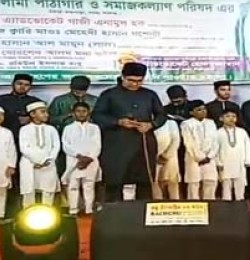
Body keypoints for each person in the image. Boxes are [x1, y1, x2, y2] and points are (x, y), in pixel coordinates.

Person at [92, 63, 167, 201]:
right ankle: (115, 211)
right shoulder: (109, 94)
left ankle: (142, 211)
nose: (135, 84)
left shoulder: (149, 94)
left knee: (144, 182)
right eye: (131, 80)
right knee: (114, 181)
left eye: (139, 81)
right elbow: (97, 116)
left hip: (143, 142)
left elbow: (161, 115)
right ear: (123, 77)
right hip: (117, 144)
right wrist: (118, 122)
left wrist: (151, 125)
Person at [0, 74, 43, 210]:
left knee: (28, 177)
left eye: (26, 84)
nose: (22, 87)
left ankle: (29, 209)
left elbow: (44, 120)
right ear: (13, 84)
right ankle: (8, 211)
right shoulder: (0, 100)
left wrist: (30, 119)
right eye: (19, 83)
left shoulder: (35, 102)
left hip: (29, 147)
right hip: (4, 145)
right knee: (6, 177)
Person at [61, 102, 102, 215]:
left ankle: (89, 210)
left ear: (88, 113)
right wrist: (79, 156)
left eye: (84, 111)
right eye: (78, 111)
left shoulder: (94, 128)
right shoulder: (68, 128)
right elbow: (66, 145)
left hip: (91, 162)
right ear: (73, 113)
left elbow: (97, 145)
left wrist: (88, 158)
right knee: (73, 186)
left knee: (89, 186)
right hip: (74, 161)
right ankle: (73, 210)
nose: (81, 114)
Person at [18, 101, 61, 207]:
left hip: (48, 164)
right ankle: (28, 213)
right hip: (29, 163)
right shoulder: (24, 129)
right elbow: (24, 148)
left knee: (48, 190)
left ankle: (48, 213)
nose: (46, 114)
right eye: (42, 112)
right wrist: (38, 160)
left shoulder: (51, 129)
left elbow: (56, 146)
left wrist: (48, 160)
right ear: (32, 114)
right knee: (29, 191)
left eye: (46, 112)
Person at [181, 100, 220, 200]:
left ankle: (210, 204)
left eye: (204, 109)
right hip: (194, 158)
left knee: (210, 181)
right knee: (193, 183)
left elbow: (215, 142)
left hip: (209, 158)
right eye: (199, 110)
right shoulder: (186, 124)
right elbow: (189, 143)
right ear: (191, 112)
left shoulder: (211, 123)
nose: (203, 111)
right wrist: (200, 157)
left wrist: (209, 156)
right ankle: (194, 205)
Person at [216, 107, 250, 201]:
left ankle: (240, 203)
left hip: (239, 162)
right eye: (227, 116)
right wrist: (218, 162)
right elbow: (216, 149)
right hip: (225, 163)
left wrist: (247, 160)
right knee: (226, 185)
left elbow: (247, 146)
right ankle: (226, 204)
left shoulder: (242, 132)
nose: (231, 118)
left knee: (240, 185)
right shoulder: (218, 132)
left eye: (233, 116)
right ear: (221, 118)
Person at [152, 116, 182, 200]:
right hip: (153, 157)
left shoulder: (170, 123)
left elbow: (176, 140)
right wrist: (154, 156)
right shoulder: (147, 123)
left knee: (172, 182)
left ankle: (175, 203)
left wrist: (165, 156)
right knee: (154, 183)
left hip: (169, 156)